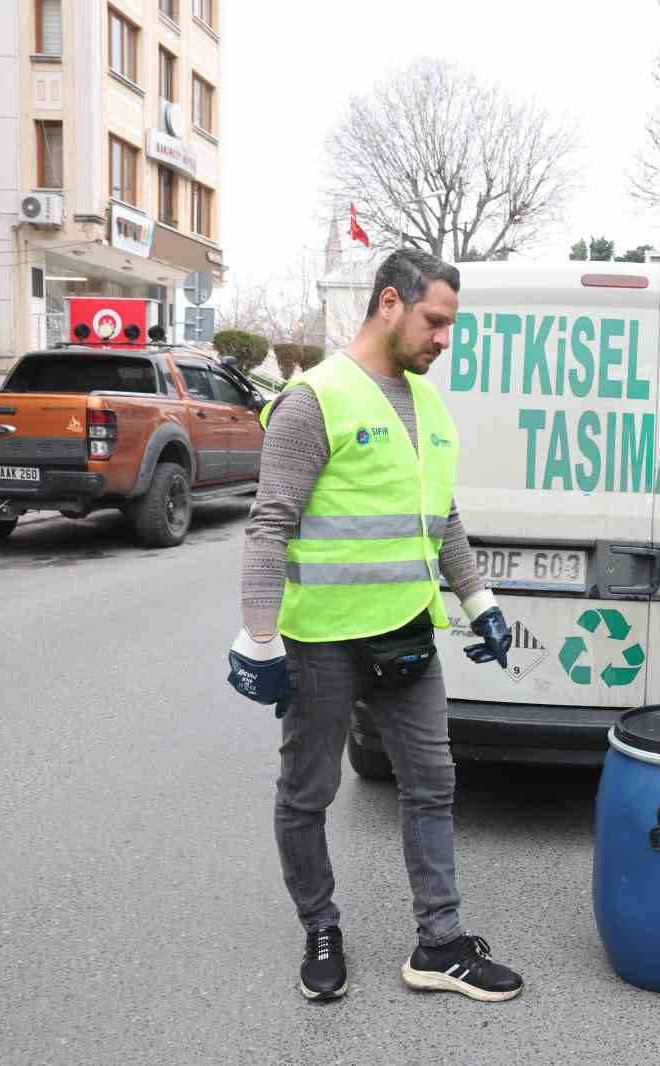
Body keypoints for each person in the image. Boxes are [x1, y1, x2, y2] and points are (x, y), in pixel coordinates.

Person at [227, 248, 523, 1003]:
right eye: (435, 321)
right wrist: (260, 635)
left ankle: (440, 943)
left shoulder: (427, 406)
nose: (443, 339)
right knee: (308, 793)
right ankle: (320, 925)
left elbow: (440, 519)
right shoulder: (314, 400)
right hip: (322, 645)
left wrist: (478, 602)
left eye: (450, 325)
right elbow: (268, 526)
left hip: (406, 639)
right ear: (390, 303)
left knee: (432, 784)